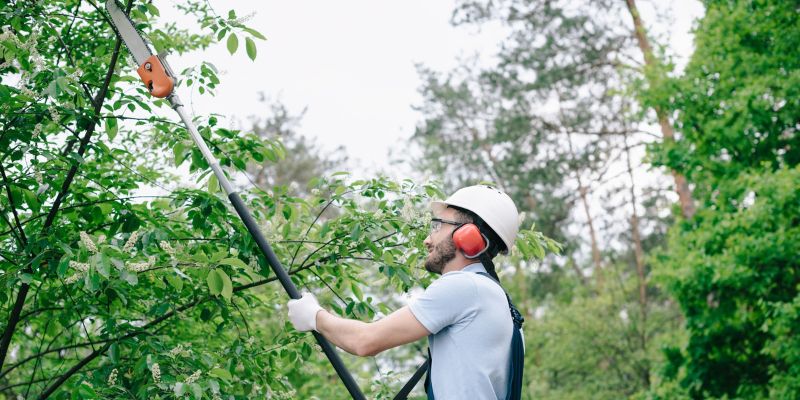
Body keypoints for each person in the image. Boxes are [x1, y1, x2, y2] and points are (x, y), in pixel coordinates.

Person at [287, 185, 523, 399]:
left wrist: (314, 316)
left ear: (468, 235)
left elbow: (365, 341)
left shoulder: (464, 287)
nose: (427, 240)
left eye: (437, 226)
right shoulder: (502, 305)